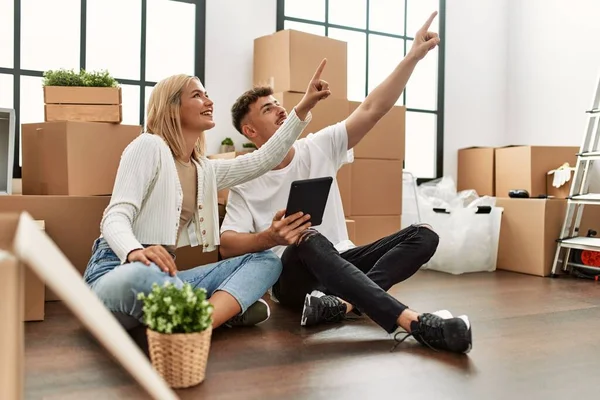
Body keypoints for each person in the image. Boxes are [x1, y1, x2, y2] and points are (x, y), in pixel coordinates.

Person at [219, 12, 472, 354]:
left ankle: (343, 305)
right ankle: (411, 322)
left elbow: (373, 108)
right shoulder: (245, 177)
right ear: (250, 131)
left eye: (279, 104)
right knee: (308, 238)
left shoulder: (318, 146)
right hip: (292, 277)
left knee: (424, 235)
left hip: (342, 260)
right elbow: (227, 244)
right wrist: (272, 237)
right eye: (268, 109)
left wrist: (412, 57)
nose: (280, 110)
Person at [82, 60, 331, 331]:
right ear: (172, 108)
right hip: (117, 271)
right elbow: (114, 217)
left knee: (267, 261)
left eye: (206, 94)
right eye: (197, 95)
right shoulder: (148, 145)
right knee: (142, 276)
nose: (208, 101)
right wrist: (135, 251)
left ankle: (200, 321)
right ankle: (217, 309)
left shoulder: (204, 169)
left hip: (166, 276)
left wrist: (304, 106)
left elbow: (264, 159)